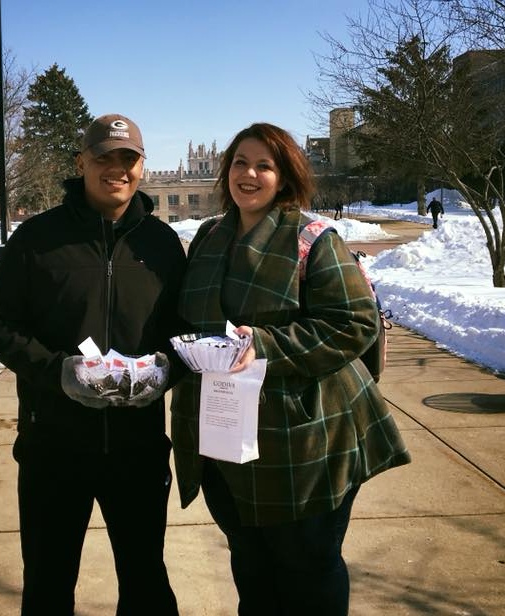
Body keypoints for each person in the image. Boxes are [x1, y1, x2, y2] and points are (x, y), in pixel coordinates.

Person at [170, 122, 411, 616]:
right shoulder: (208, 237)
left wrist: (263, 344)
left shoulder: (313, 239)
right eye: (240, 162)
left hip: (305, 441)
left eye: (264, 165)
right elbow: (187, 318)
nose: (249, 174)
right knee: (252, 568)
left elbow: (354, 323)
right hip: (226, 436)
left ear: (286, 176)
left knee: (307, 570)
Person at [0, 114, 185, 616]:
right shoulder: (37, 239)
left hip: (137, 448)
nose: (116, 170)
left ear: (141, 168)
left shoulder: (161, 244)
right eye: (103, 157)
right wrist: (58, 372)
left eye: (128, 159)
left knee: (146, 583)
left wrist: (165, 369)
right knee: (47, 585)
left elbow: (185, 331)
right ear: (81, 162)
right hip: (53, 447)